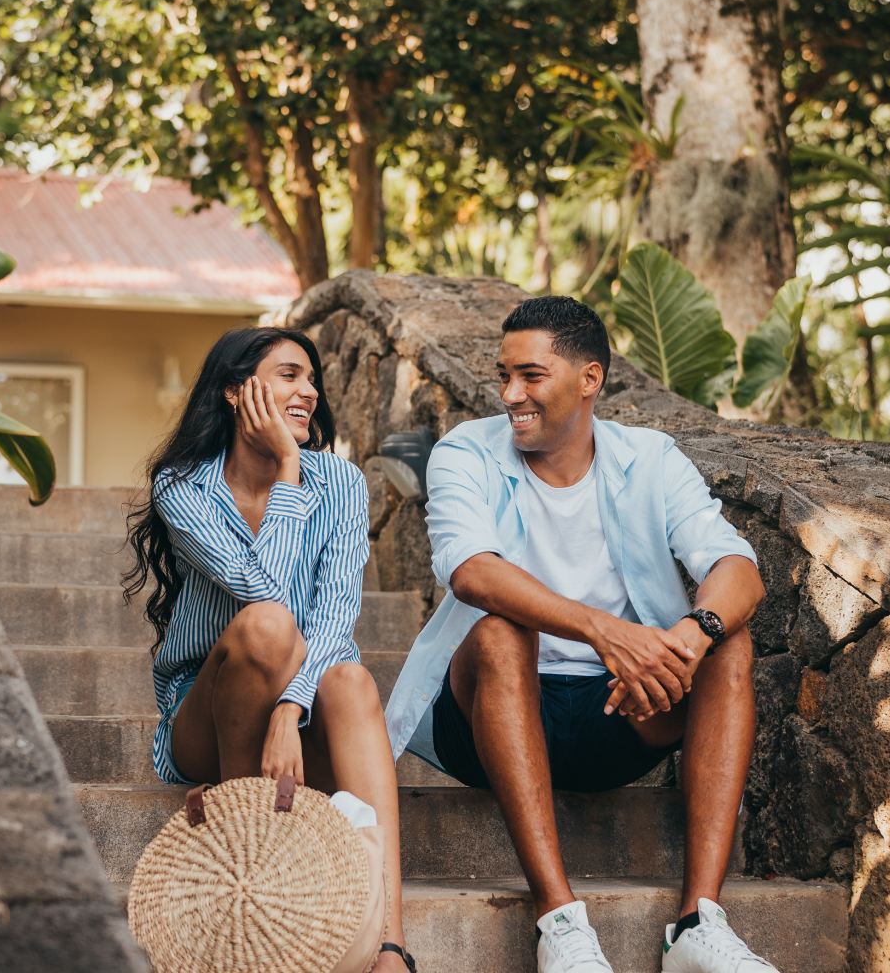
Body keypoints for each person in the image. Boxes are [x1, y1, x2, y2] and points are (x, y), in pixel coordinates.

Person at [382, 297, 773, 973]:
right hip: (484, 716)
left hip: (618, 710)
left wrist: (689, 635)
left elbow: (736, 566)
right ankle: (559, 923)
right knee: (504, 631)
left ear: (588, 379)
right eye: (504, 376)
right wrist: (605, 631)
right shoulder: (465, 452)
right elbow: (472, 572)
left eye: (530, 376)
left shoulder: (650, 458)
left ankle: (697, 924)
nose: (510, 394)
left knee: (728, 642)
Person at [125, 326, 417, 973]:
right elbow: (268, 595)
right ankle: (256, 891)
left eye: (312, 379)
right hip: (208, 715)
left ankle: (391, 945)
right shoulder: (185, 488)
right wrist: (286, 468)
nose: (309, 391)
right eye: (289, 375)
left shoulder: (340, 483)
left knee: (353, 681)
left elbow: (336, 616)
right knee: (265, 628)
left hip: (301, 707)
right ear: (235, 392)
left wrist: (290, 707)